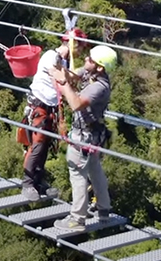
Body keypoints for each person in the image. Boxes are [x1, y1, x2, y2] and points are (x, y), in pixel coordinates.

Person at [55, 44, 118, 231]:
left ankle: (77, 219)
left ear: (99, 67)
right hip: (93, 135)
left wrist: (64, 84)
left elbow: (75, 103)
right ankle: (104, 210)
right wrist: (60, 66)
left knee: (77, 173)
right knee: (94, 169)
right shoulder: (92, 75)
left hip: (84, 136)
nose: (86, 59)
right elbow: (74, 74)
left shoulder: (98, 87)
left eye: (90, 59)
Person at [20, 29, 87, 201]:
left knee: (46, 145)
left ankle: (38, 180)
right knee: (38, 144)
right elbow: (55, 77)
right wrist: (69, 89)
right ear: (74, 44)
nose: (80, 51)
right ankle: (27, 183)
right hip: (39, 104)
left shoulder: (63, 61)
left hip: (50, 107)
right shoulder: (51, 56)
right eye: (80, 47)